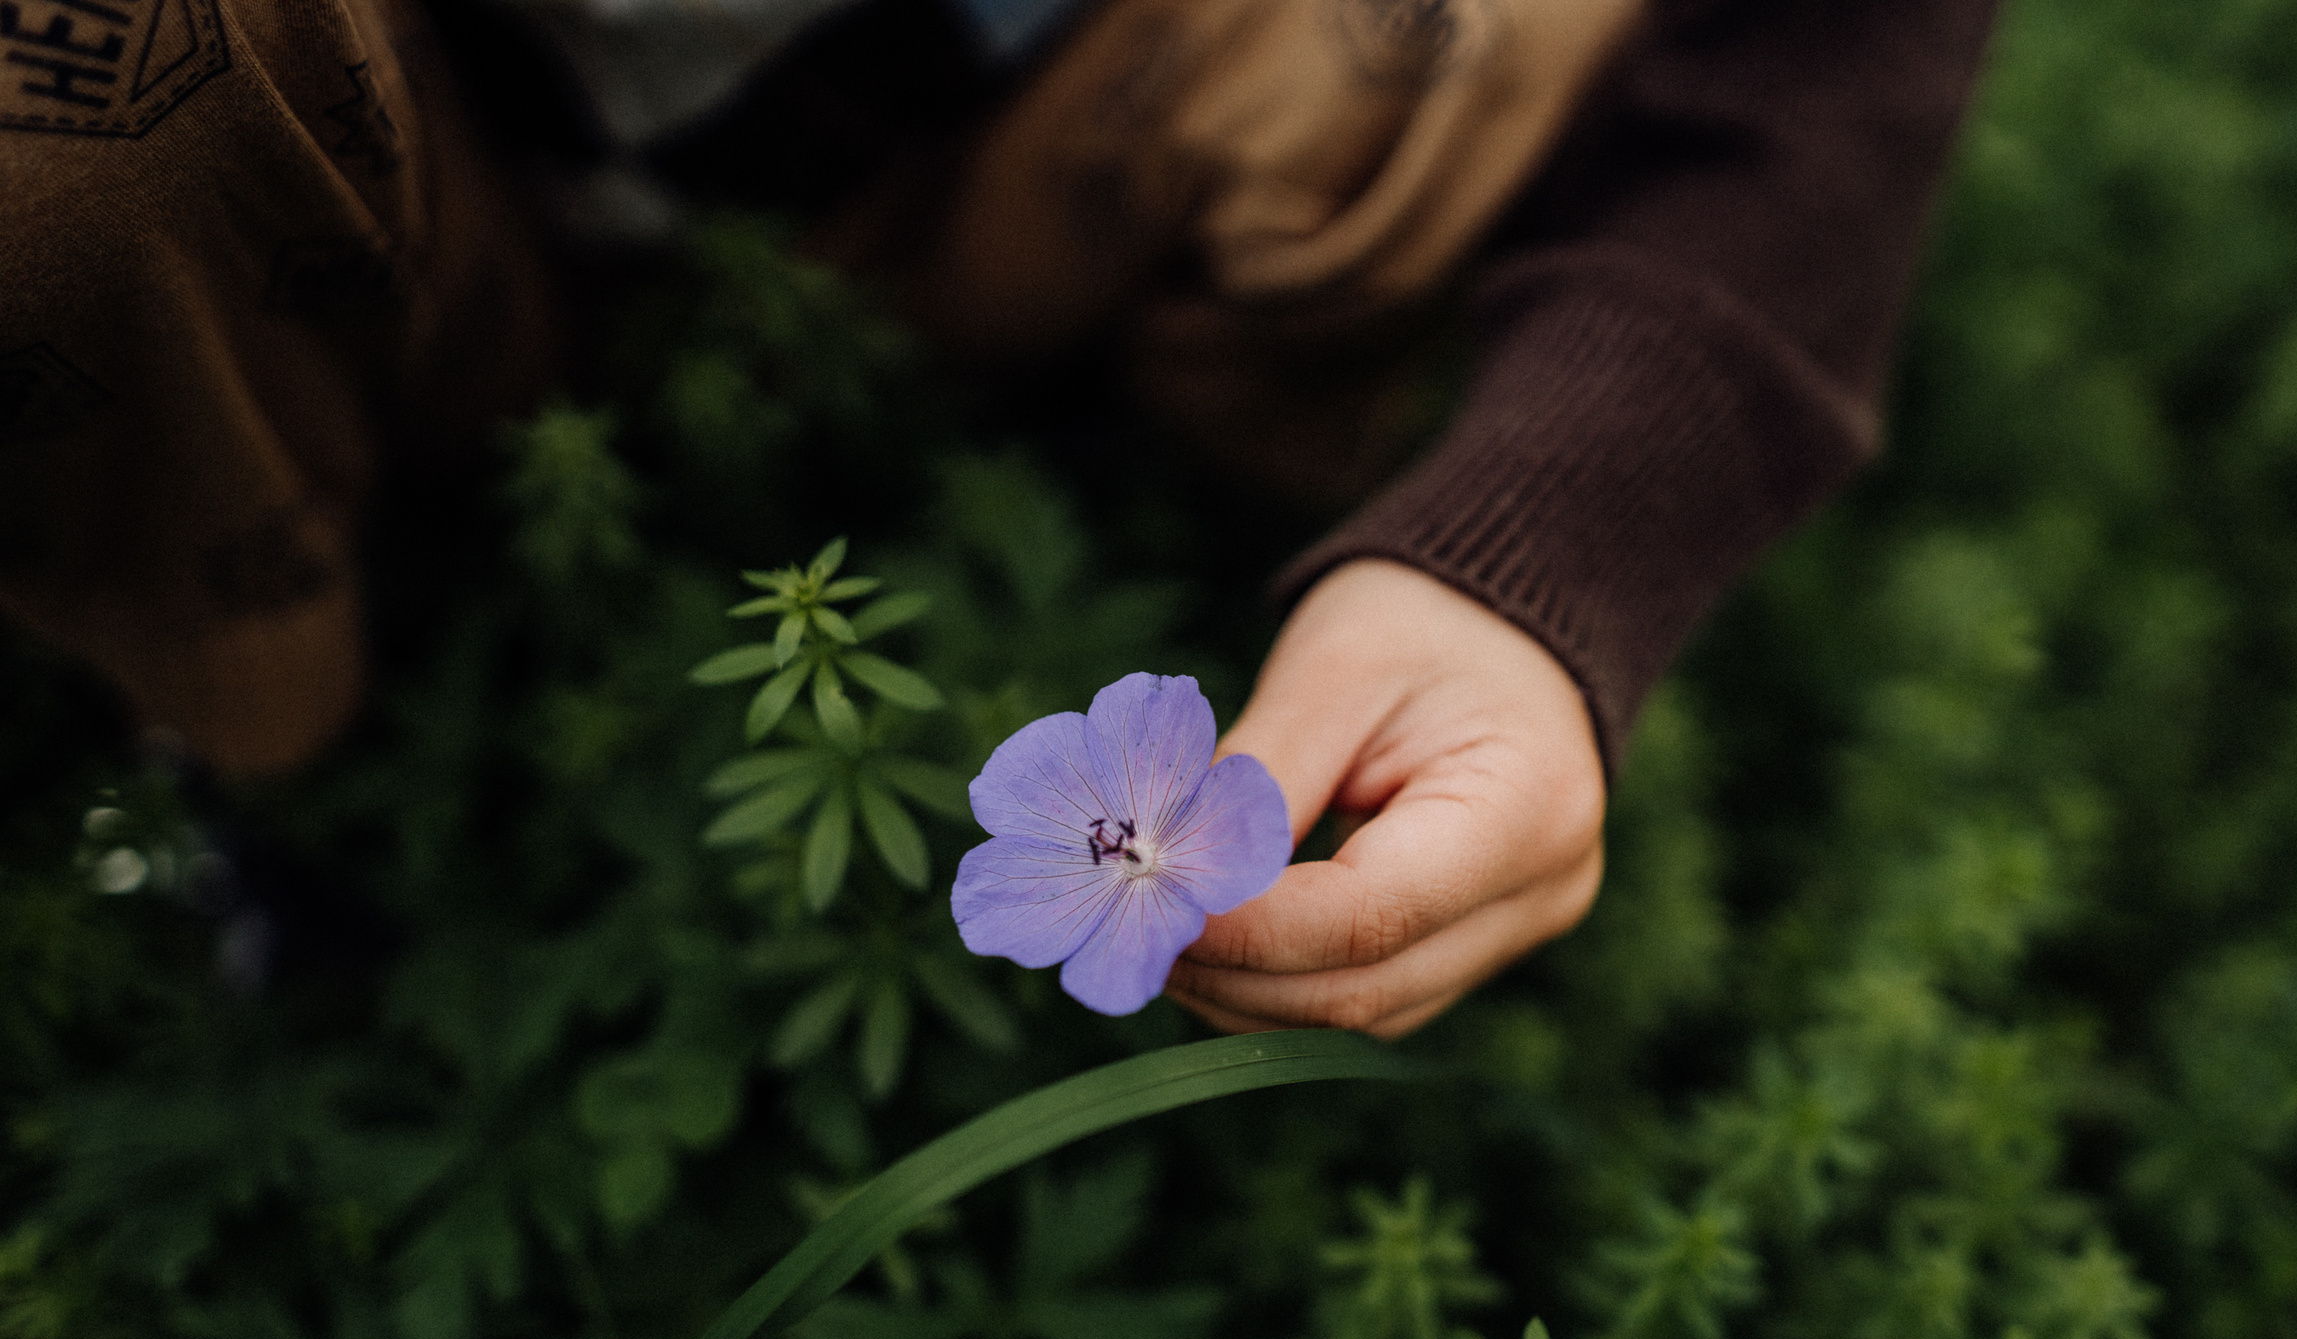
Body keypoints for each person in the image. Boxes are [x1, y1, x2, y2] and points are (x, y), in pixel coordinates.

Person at [0, 0, 1999, 1034]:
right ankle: (281, 726)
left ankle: (1190, 465)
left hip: (1072, 98)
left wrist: (1555, 540)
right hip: (380, 142)